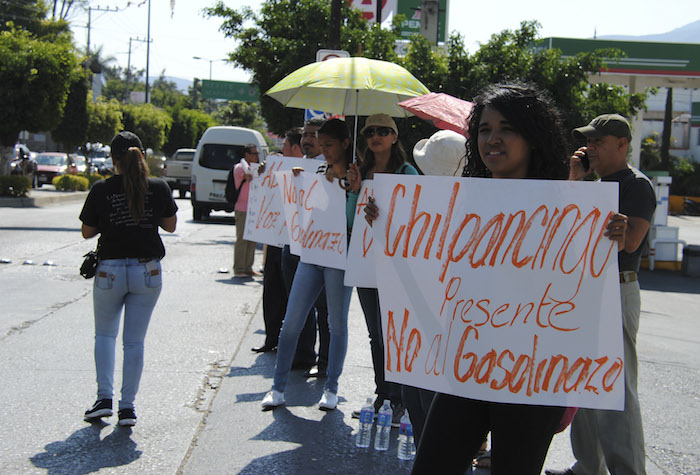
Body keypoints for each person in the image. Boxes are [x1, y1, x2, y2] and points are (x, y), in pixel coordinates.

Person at [365, 83, 628, 474]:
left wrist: (610, 239)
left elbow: (581, 293)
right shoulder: (459, 202)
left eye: (506, 128)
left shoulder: (570, 211)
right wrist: (387, 225)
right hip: (466, 369)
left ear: (532, 137)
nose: (493, 138)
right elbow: (425, 273)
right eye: (484, 129)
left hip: (532, 379)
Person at [545, 114, 655, 475]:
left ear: (622, 145)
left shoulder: (636, 185)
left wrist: (623, 231)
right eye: (588, 142)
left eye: (599, 142)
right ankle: (588, 465)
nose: (590, 147)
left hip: (617, 286)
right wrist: (574, 179)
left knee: (616, 387)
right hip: (587, 289)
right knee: (585, 378)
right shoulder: (591, 184)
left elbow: (634, 242)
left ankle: (627, 469)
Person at [80, 131, 177, 427]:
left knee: (105, 336)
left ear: (113, 159)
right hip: (146, 271)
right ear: (143, 157)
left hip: (110, 271)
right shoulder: (158, 187)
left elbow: (87, 231)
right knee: (134, 342)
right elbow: (170, 226)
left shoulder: (101, 189)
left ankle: (103, 398)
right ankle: (127, 407)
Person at [261, 118, 357, 411]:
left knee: (337, 323)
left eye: (329, 145)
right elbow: (299, 204)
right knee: (291, 322)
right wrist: (294, 183)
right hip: (312, 254)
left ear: (345, 144)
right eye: (321, 144)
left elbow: (358, 219)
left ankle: (331, 387)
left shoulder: (356, 176)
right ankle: (277, 388)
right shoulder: (315, 171)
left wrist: (354, 190)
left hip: (339, 259)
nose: (324, 150)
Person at [347, 113, 418, 425]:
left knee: (394, 333)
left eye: (382, 131)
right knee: (376, 333)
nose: (375, 136)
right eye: (369, 131)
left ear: (394, 137)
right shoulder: (359, 172)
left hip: (397, 266)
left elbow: (418, 217)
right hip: (365, 262)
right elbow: (350, 221)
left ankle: (401, 398)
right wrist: (355, 192)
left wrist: (385, 214)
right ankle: (382, 393)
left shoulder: (407, 172)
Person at [281, 117, 331, 375]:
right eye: (305, 135)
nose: (307, 140)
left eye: (313, 135)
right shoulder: (300, 167)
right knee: (298, 305)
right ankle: (303, 355)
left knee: (323, 308)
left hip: (320, 248)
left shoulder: (331, 169)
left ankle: (325, 363)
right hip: (294, 244)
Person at [252, 129, 304, 353]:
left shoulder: (310, 169)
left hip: (299, 241)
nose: (281, 149)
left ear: (294, 147)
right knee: (272, 288)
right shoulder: (276, 166)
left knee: (294, 292)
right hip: (275, 236)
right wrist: (263, 172)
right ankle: (271, 337)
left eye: (285, 145)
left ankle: (294, 345)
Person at [233, 143, 261, 277]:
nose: (256, 156)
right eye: (253, 154)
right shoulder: (240, 168)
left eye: (257, 154)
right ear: (247, 155)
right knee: (242, 239)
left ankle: (248, 267)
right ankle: (239, 267)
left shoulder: (256, 168)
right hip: (242, 208)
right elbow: (248, 174)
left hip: (254, 207)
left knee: (252, 239)